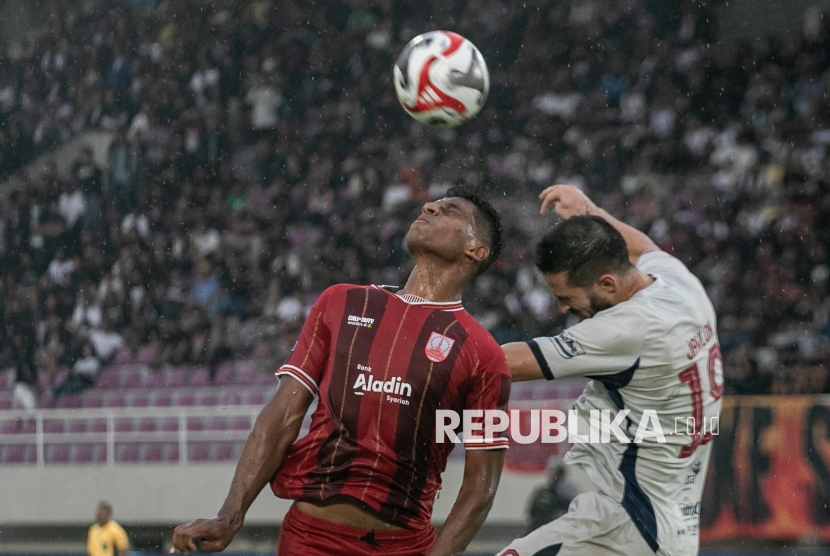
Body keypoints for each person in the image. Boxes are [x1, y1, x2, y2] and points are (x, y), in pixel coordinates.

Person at [171, 186, 512, 556]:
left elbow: (481, 485)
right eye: (433, 204)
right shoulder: (341, 301)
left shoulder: (485, 355)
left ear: (476, 250)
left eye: (450, 211)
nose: (429, 206)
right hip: (310, 539)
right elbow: (284, 413)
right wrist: (230, 516)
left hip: (404, 546)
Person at [498, 185, 723, 556]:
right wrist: (590, 209)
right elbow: (642, 247)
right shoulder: (680, 285)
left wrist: (424, 345)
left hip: (631, 528)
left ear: (606, 284)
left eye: (567, 299)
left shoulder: (624, 329)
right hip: (667, 524)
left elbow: (503, 363)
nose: (562, 310)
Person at [525, 456, 577, 534]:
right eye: (551, 471)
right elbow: (533, 512)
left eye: (555, 471)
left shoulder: (569, 491)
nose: (552, 474)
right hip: (544, 530)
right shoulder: (544, 492)